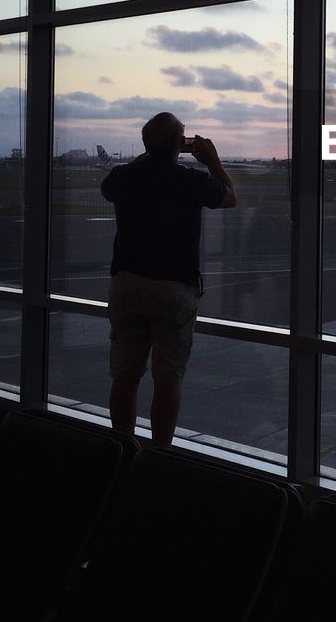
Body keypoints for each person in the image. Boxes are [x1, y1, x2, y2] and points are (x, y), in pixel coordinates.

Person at [101, 111, 236, 445]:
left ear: (146, 144)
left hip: (128, 282)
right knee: (168, 379)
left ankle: (121, 449)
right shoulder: (190, 180)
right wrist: (213, 160)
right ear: (180, 143)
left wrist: (152, 152)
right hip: (174, 287)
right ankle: (159, 454)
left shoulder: (123, 177)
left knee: (125, 376)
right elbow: (230, 197)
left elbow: (114, 184)